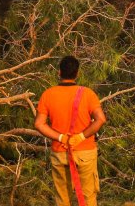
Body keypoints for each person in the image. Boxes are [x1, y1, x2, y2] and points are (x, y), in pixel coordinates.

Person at [34, 55, 107, 206]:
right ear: (77, 73)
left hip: (60, 152)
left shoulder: (48, 95)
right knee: (87, 197)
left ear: (59, 72)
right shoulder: (87, 94)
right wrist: (80, 137)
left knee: (62, 198)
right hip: (85, 151)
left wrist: (61, 138)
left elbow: (39, 124)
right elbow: (100, 119)